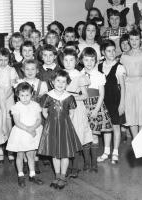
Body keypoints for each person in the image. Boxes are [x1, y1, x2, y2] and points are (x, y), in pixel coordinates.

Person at [38, 70, 82, 189]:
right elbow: (44, 112)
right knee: (55, 154)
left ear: (67, 84)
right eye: (58, 81)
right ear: (52, 82)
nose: (61, 83)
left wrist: (66, 123)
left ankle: (63, 176)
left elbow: (72, 113)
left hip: (65, 127)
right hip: (52, 127)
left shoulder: (69, 97)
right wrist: (50, 122)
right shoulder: (48, 96)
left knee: (65, 153)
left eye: (64, 81)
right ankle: (57, 175)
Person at [62, 48, 93, 177]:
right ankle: (67, 166)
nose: (68, 63)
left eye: (71, 60)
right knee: (65, 137)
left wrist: (71, 98)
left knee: (76, 136)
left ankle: (75, 167)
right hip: (63, 108)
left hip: (76, 108)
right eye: (66, 60)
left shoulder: (80, 76)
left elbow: (84, 95)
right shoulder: (60, 74)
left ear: (76, 61)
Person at [7, 82, 44, 187]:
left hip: (33, 131)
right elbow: (17, 122)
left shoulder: (35, 105)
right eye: (22, 95)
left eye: (27, 95)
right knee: (20, 155)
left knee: (31, 154)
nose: (25, 98)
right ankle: (20, 174)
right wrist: (28, 129)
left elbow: (39, 119)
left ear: (31, 94)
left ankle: (32, 174)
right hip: (21, 132)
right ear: (18, 95)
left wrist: (33, 128)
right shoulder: (16, 107)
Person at [120, 29, 142, 138]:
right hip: (128, 85)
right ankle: (135, 140)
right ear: (129, 40)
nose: (134, 41)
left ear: (140, 40)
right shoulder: (124, 56)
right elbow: (121, 74)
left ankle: (141, 140)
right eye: (131, 39)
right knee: (131, 114)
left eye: (136, 39)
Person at [80, 47, 111, 171]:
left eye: (92, 60)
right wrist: (84, 109)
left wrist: (96, 110)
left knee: (94, 136)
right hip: (83, 107)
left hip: (96, 106)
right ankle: (86, 162)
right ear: (82, 60)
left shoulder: (99, 75)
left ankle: (94, 163)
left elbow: (102, 95)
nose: (89, 63)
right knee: (84, 136)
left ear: (96, 61)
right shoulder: (79, 75)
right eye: (86, 60)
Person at [15, 59, 48, 174]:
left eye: (33, 69)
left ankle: (35, 162)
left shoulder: (42, 84)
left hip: (36, 116)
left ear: (37, 70)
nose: (30, 71)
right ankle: (25, 162)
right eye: (27, 69)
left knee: (35, 140)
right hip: (24, 116)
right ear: (22, 70)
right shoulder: (19, 82)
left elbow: (45, 101)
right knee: (24, 140)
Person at [98, 40, 126, 164]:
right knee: (106, 127)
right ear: (103, 52)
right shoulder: (99, 66)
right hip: (103, 100)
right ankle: (106, 151)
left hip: (115, 100)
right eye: (109, 51)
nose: (112, 53)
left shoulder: (119, 67)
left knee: (116, 126)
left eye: (113, 50)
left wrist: (122, 104)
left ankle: (115, 152)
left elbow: (123, 88)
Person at [0, 48, 18, 165]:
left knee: (8, 124)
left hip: (8, 99)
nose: (3, 62)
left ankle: (9, 150)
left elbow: (13, 86)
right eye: (0, 60)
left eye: (5, 60)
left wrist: (4, 98)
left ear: (9, 60)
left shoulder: (11, 69)